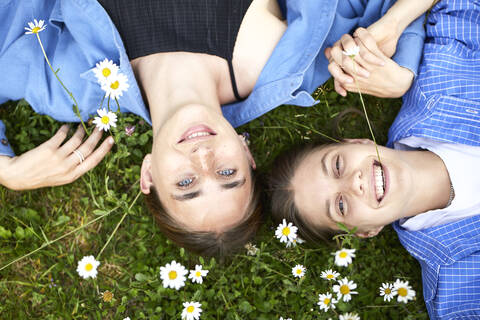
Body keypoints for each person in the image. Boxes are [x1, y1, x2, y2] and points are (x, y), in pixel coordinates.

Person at [0, 0, 425, 256]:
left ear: (148, 174)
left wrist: (7, 171)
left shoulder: (69, 81)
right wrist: (400, 65)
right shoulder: (303, 59)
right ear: (247, 154)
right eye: (227, 175)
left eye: (185, 183)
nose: (203, 159)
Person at [269, 0, 480, 317]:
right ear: (366, 232)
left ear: (358, 141)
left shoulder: (446, 73)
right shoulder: (459, 296)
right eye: (340, 205)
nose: (353, 183)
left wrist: (394, 23)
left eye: (338, 165)